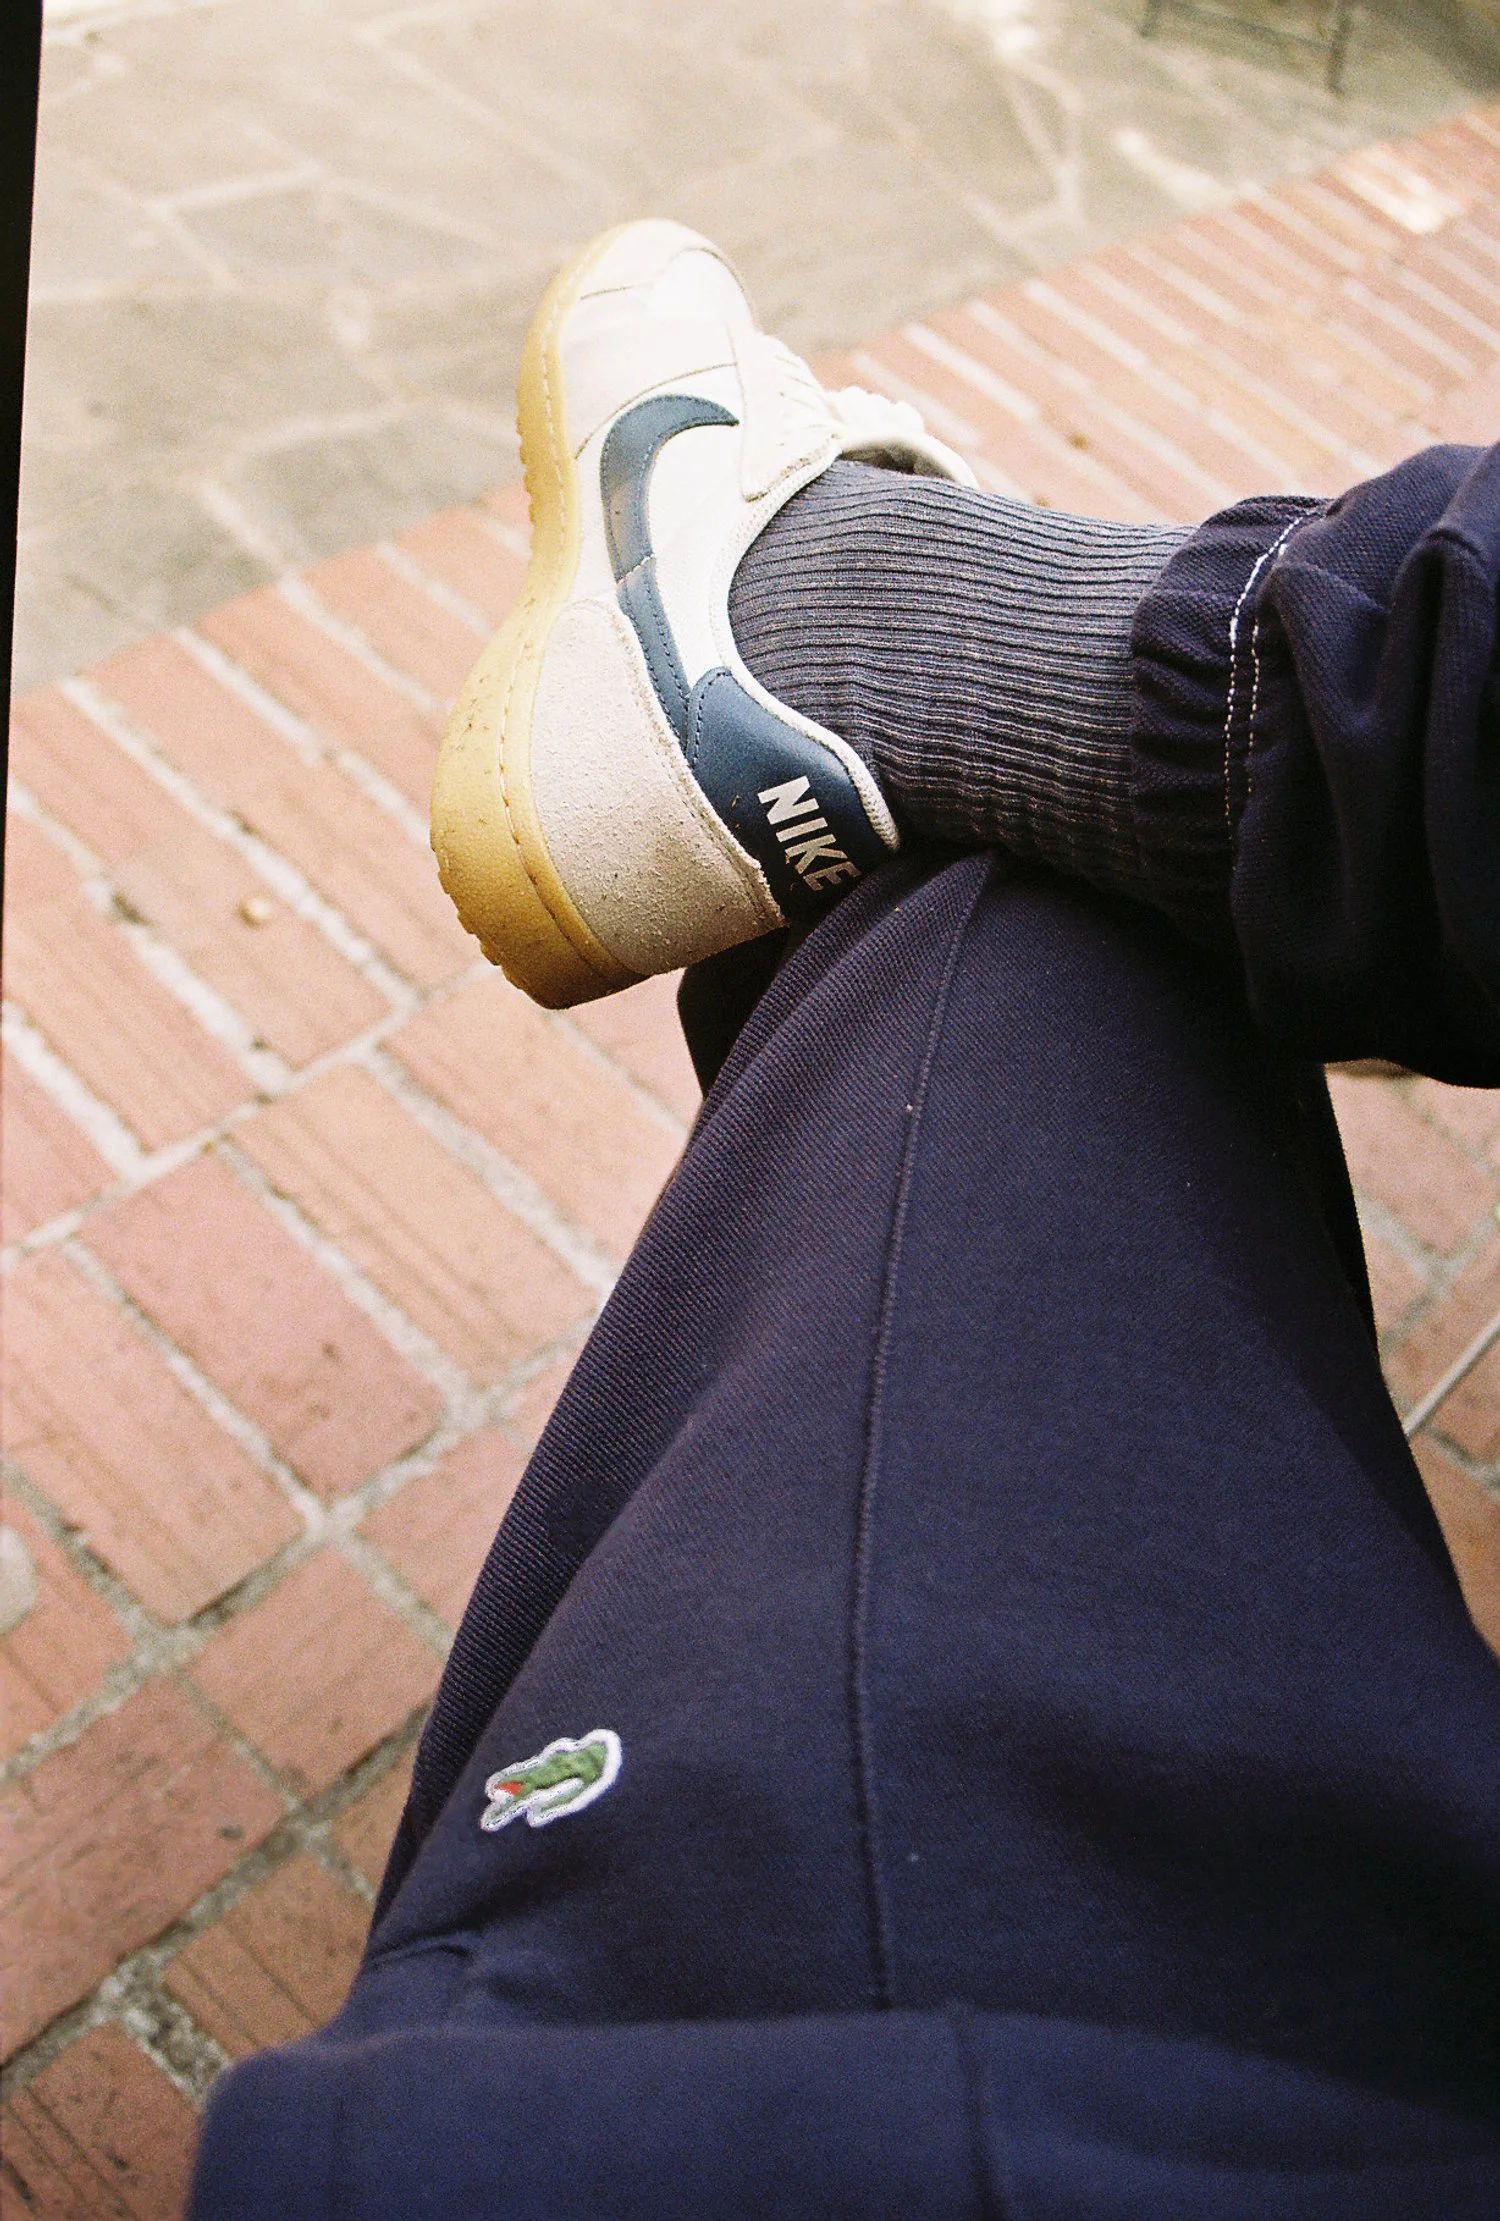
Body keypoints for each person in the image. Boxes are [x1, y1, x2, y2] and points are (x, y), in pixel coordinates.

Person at [189, 223, 1500, 2219]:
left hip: (914, 2059)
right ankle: (949, 688)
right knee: (1030, 843)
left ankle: (880, 670)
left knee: (1011, 907)